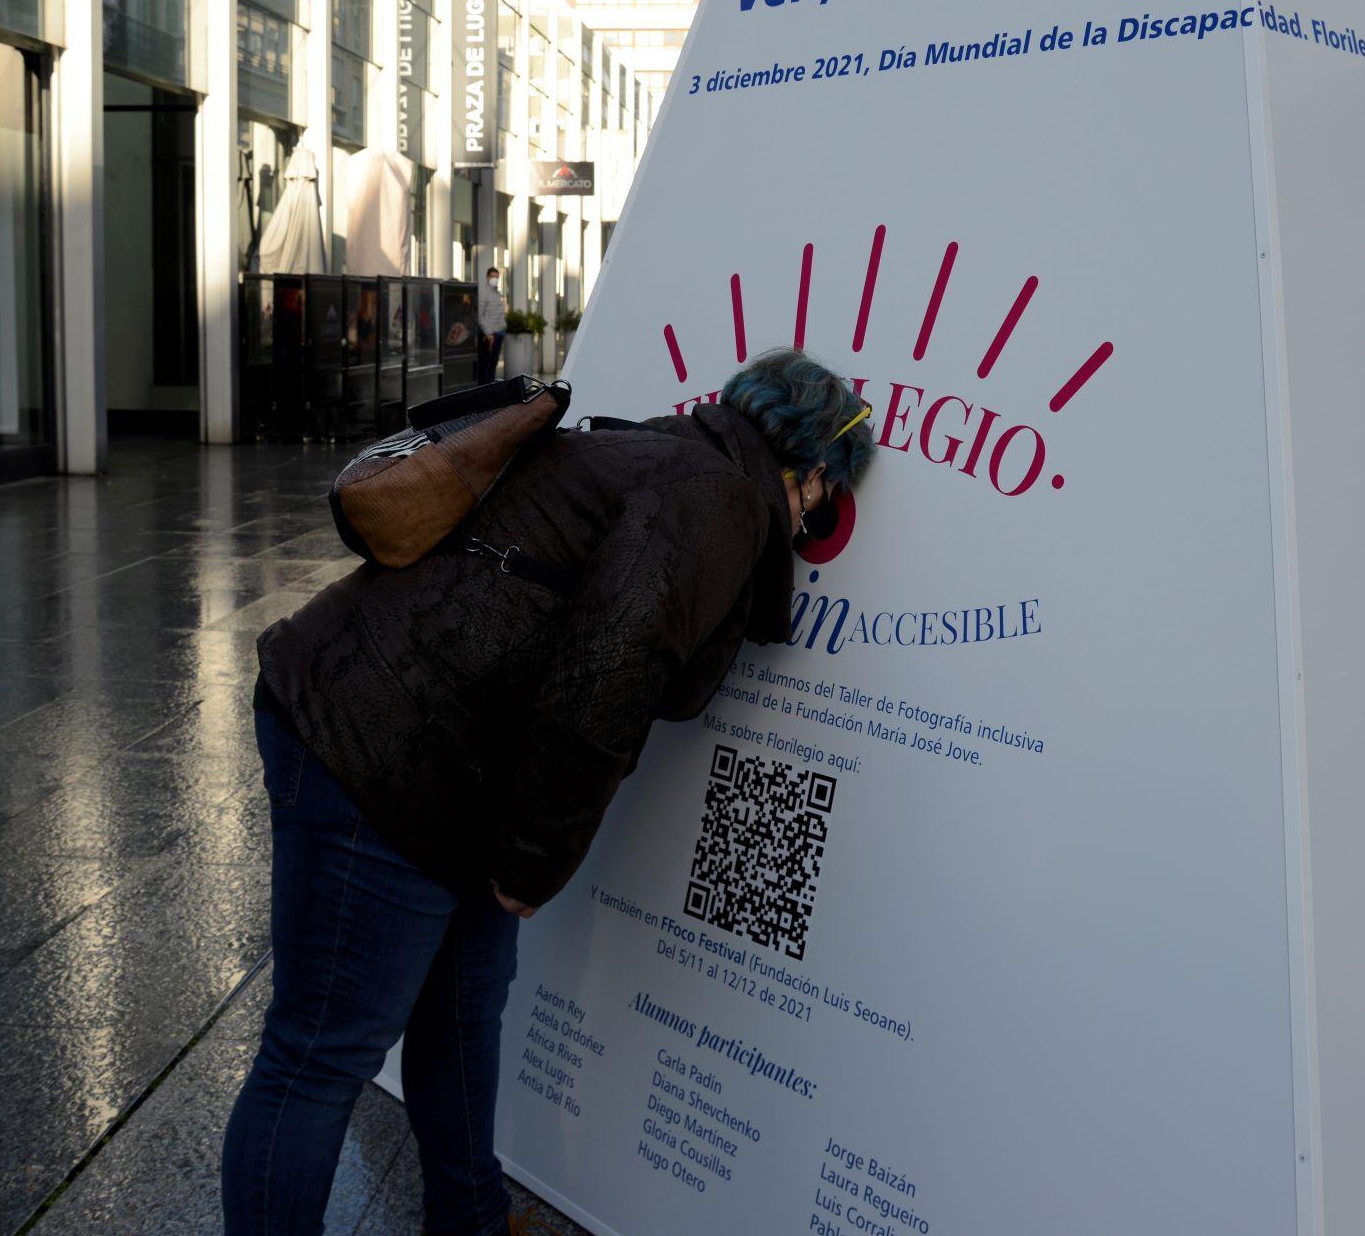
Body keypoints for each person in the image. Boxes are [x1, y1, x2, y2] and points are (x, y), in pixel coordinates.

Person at [222, 348, 877, 1235]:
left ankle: (472, 1219)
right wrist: (531, 864)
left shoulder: (667, 452)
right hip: (374, 747)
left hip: (442, 757)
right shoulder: (716, 498)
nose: (812, 520)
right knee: (319, 1054)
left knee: (463, 1013)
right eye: (823, 498)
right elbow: (606, 680)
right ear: (808, 470)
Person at [476, 266, 507, 383]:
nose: (495, 279)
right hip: (489, 335)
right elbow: (479, 314)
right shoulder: (483, 292)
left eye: (497, 277)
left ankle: (490, 387)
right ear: (487, 277)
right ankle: (484, 388)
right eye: (493, 277)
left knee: (493, 362)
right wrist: (488, 332)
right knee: (486, 364)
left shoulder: (496, 292)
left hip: (499, 332)